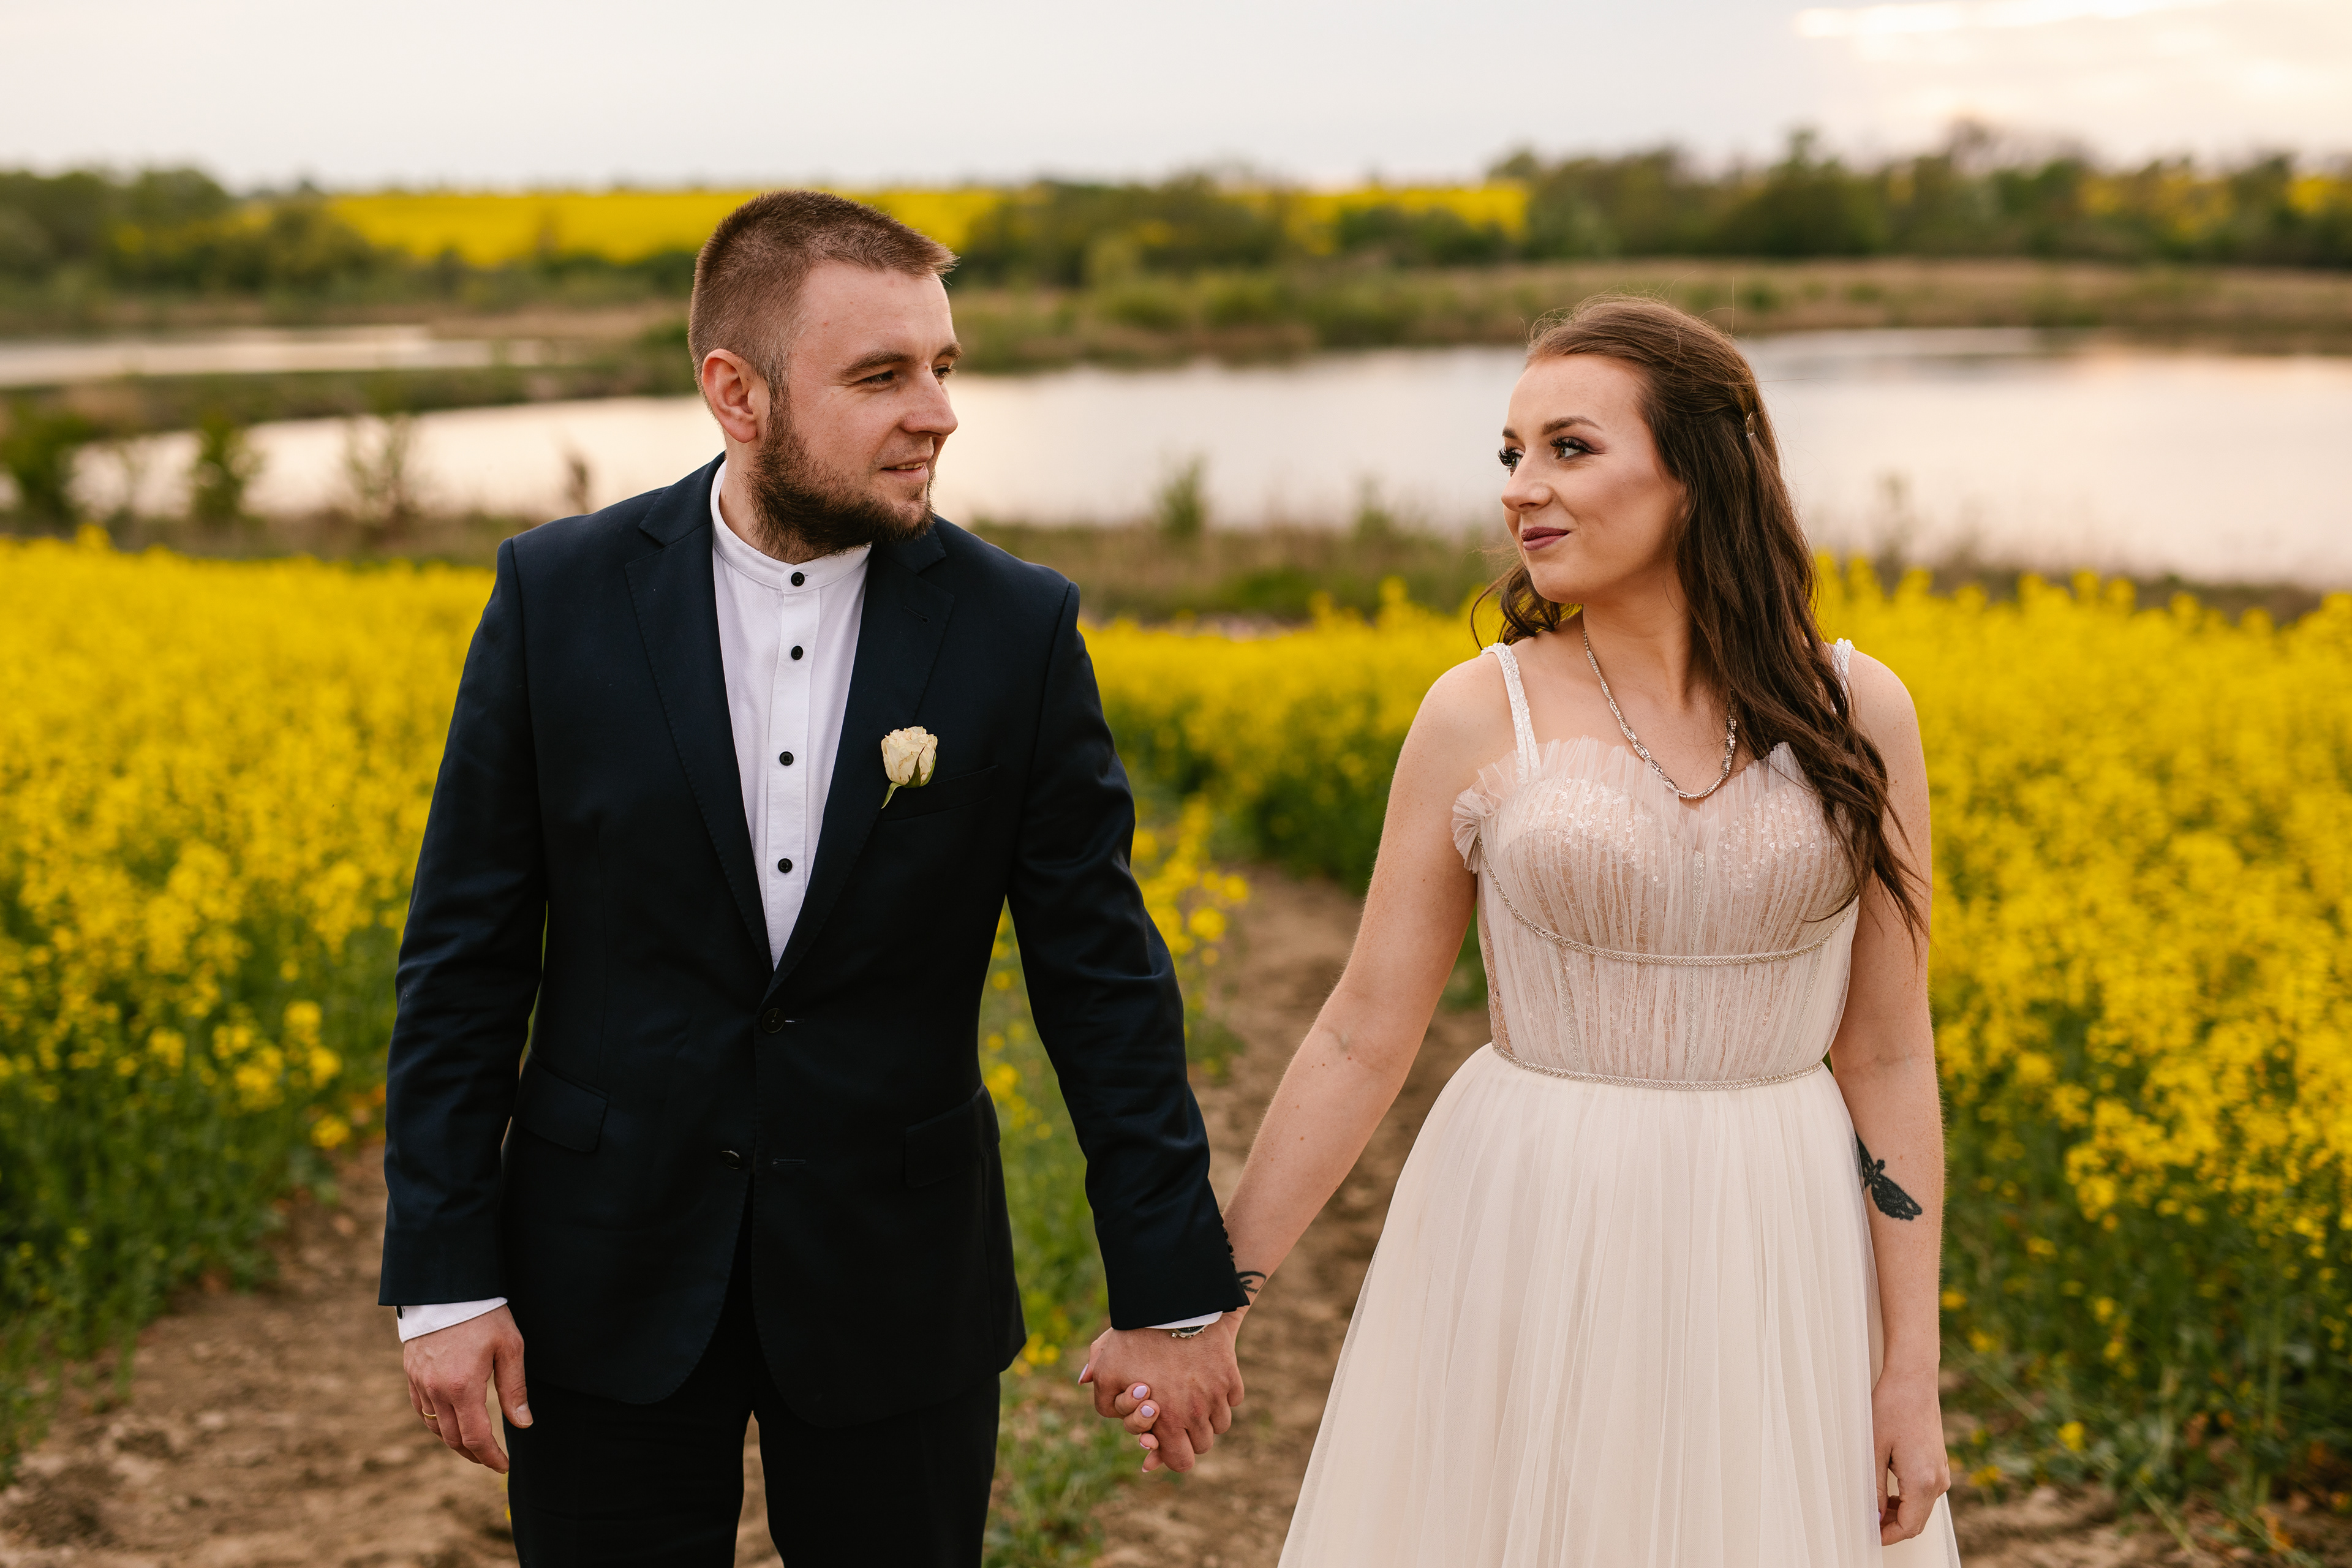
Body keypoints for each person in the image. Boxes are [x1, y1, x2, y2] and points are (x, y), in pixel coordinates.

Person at [377, 190, 1248, 1567]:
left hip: (899, 1281)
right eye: (882, 375)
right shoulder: (558, 596)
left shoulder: (1016, 627)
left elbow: (1102, 982)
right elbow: (464, 960)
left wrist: (1173, 1293)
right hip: (600, 1273)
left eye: (944, 366)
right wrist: (441, 1275)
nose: (938, 413)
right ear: (738, 392)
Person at [1112, 295, 1962, 1564]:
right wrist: (1204, 1303)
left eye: (1570, 447)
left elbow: (1888, 1050)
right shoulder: (1476, 709)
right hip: (1537, 1204)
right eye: (1511, 453)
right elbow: (1361, 1031)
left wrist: (1909, 1369)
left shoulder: (1858, 708)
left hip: (1779, 1217)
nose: (1521, 488)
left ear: (1698, 470)